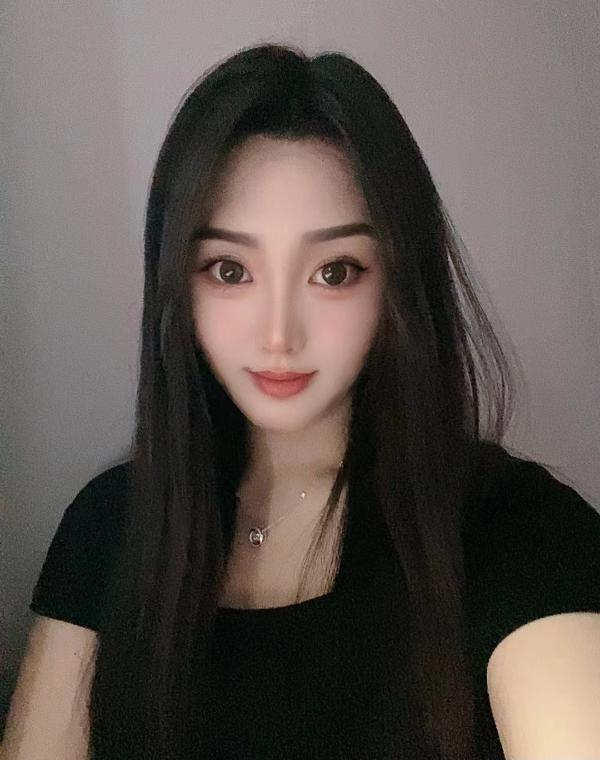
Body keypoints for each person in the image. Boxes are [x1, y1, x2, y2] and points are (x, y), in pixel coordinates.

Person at [3, 42, 600, 760]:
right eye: (230, 270)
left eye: (334, 271)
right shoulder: (112, 529)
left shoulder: (514, 529)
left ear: (396, 282)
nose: (279, 334)